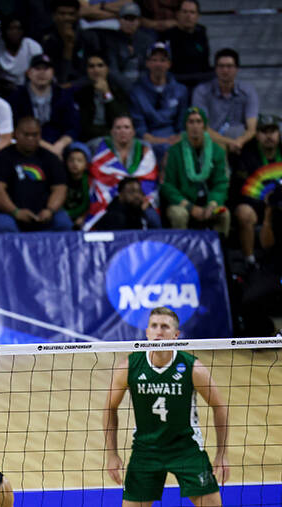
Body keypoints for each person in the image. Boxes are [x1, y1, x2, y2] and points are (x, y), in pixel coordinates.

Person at [103, 306, 229, 506]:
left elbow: (220, 406)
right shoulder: (129, 366)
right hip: (146, 450)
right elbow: (109, 407)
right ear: (147, 332)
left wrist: (221, 454)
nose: (158, 331)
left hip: (186, 448)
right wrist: (112, 454)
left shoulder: (192, 367)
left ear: (176, 335)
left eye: (165, 327)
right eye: (153, 326)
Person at [0, 116, 72, 232]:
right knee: (3, 224)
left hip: (45, 215)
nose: (30, 138)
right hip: (11, 215)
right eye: (26, 135)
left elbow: (60, 188)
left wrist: (50, 210)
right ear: (15, 134)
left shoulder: (51, 159)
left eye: (35, 135)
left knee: (63, 222)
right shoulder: (1, 158)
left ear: (40, 135)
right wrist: (15, 212)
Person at [161, 106, 230, 236]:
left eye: (199, 121)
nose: (195, 126)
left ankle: (219, 251)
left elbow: (221, 183)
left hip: (208, 202)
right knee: (178, 215)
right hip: (182, 203)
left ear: (204, 126)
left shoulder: (217, 151)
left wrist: (213, 203)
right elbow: (166, 185)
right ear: (185, 126)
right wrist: (189, 206)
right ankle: (182, 252)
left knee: (224, 214)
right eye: (191, 122)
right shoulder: (174, 152)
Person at [85, 115, 160, 230]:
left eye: (126, 127)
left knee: (152, 218)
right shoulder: (101, 150)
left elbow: (149, 179)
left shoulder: (144, 150)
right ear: (112, 131)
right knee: (115, 218)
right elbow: (99, 178)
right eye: (118, 128)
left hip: (139, 199)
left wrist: (146, 199)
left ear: (133, 132)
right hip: (111, 200)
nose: (122, 131)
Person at [232, 114, 282, 268]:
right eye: (264, 131)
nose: (269, 136)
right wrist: (265, 203)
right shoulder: (246, 155)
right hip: (255, 205)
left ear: (279, 134)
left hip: (279, 206)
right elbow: (239, 192)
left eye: (272, 131)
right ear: (257, 135)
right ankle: (250, 262)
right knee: (244, 213)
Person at [7, 54, 79, 159]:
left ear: (52, 72)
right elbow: (14, 127)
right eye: (37, 68)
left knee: (77, 152)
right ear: (29, 73)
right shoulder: (17, 96)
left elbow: (73, 127)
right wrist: (49, 149)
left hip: (58, 143)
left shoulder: (63, 95)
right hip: (27, 141)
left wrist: (59, 146)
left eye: (46, 68)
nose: (42, 73)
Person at [129, 41, 188, 163]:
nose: (158, 64)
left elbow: (182, 123)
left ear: (169, 64)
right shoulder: (136, 91)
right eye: (154, 60)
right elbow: (139, 127)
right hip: (148, 139)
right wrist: (160, 141)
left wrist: (178, 137)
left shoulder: (181, 90)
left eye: (162, 60)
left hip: (174, 137)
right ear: (147, 63)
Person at [192, 48, 258, 156]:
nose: (225, 70)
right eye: (221, 66)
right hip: (212, 138)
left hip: (240, 140)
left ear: (236, 69)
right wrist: (229, 142)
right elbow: (203, 127)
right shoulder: (202, 91)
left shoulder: (248, 91)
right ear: (215, 69)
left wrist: (239, 142)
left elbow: (251, 129)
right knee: (218, 146)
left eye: (229, 66)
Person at [40, 0, 100, 86]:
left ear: (77, 15)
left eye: (71, 14)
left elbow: (96, 70)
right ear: (54, 15)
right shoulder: (46, 39)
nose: (67, 18)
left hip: (85, 86)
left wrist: (73, 85)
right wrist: (68, 47)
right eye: (62, 14)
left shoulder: (89, 37)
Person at [74, 52, 129, 143]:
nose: (96, 70)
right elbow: (84, 126)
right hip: (91, 140)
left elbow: (121, 119)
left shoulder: (118, 92)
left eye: (100, 65)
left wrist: (107, 93)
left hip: (117, 139)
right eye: (91, 66)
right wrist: (109, 133)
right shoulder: (81, 94)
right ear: (87, 70)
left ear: (107, 69)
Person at [158, 0, 211, 91]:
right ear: (178, 14)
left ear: (198, 16)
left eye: (192, 12)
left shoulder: (201, 33)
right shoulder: (167, 36)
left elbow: (205, 62)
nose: (188, 16)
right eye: (185, 12)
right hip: (176, 80)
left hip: (200, 80)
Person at [105, 2, 156, 93]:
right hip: (117, 87)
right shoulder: (110, 40)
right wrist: (129, 87)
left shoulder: (147, 40)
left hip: (143, 86)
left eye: (133, 19)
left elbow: (150, 67)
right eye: (126, 18)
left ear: (139, 21)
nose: (129, 23)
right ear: (119, 20)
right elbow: (112, 70)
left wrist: (139, 85)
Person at [0, 17, 42, 93]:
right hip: (3, 88)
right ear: (4, 31)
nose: (14, 32)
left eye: (18, 29)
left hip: (29, 87)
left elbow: (40, 70)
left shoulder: (33, 46)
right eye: (10, 29)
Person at [63, 143, 90, 229]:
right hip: (65, 215)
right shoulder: (61, 179)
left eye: (79, 160)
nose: (75, 164)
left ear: (86, 164)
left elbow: (90, 204)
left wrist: (83, 217)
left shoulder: (90, 181)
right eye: (71, 160)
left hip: (83, 217)